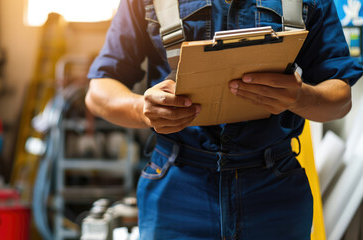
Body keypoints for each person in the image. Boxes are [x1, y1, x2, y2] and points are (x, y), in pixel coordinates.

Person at [85, 0, 363, 239]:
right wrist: (141, 109)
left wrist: (299, 97)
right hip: (177, 191)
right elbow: (98, 92)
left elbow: (340, 100)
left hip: (274, 194)